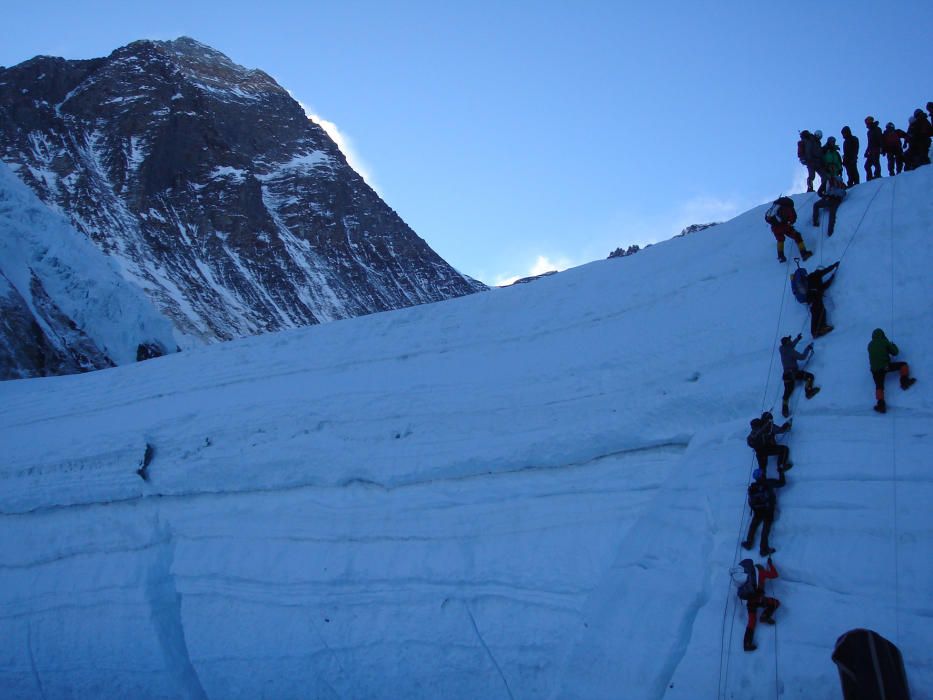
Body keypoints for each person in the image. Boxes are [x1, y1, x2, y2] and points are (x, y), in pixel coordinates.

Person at [734, 557, 781, 652]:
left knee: (751, 621)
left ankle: (747, 644)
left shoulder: (748, 578)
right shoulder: (762, 573)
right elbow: (775, 574)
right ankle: (765, 616)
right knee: (775, 603)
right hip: (759, 599)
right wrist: (770, 564)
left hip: (750, 601)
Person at [868, 328, 917, 413]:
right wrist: (892, 345)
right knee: (903, 365)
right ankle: (904, 381)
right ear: (882, 335)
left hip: (874, 370)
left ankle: (881, 405)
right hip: (885, 366)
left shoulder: (870, 345)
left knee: (879, 386)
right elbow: (895, 352)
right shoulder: (884, 342)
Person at [742, 467, 786, 556]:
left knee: (753, 527)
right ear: (762, 475)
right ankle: (763, 549)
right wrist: (781, 472)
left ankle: (749, 543)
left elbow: (750, 501)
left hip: (757, 510)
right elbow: (782, 483)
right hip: (768, 510)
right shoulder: (769, 482)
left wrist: (755, 508)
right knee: (765, 529)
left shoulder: (753, 487)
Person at [779, 334, 819, 417]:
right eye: (789, 340)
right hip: (794, 373)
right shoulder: (790, 351)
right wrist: (808, 348)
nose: (791, 341)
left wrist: (797, 339)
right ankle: (808, 391)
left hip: (786, 375)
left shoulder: (782, 349)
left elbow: (790, 346)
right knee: (810, 377)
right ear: (787, 343)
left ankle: (784, 410)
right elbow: (802, 357)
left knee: (787, 393)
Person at [766, 197, 813, 263]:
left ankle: (781, 257)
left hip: (775, 228)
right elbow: (793, 218)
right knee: (797, 236)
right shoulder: (789, 207)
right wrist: (790, 223)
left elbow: (767, 217)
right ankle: (804, 253)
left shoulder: (774, 207)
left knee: (780, 239)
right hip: (784, 227)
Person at [806, 261, 840, 337]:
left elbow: (824, 287)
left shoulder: (814, 280)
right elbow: (825, 271)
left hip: (812, 297)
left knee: (816, 313)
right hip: (814, 296)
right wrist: (834, 266)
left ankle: (815, 331)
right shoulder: (814, 275)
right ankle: (821, 328)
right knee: (820, 311)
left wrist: (831, 278)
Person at [864, 117, 883, 181]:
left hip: (876, 149)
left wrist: (881, 148)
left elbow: (880, 139)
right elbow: (869, 143)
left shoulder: (877, 129)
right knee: (867, 165)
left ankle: (877, 175)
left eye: (867, 123)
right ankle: (870, 177)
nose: (866, 125)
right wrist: (867, 151)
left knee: (876, 162)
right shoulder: (869, 132)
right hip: (872, 150)